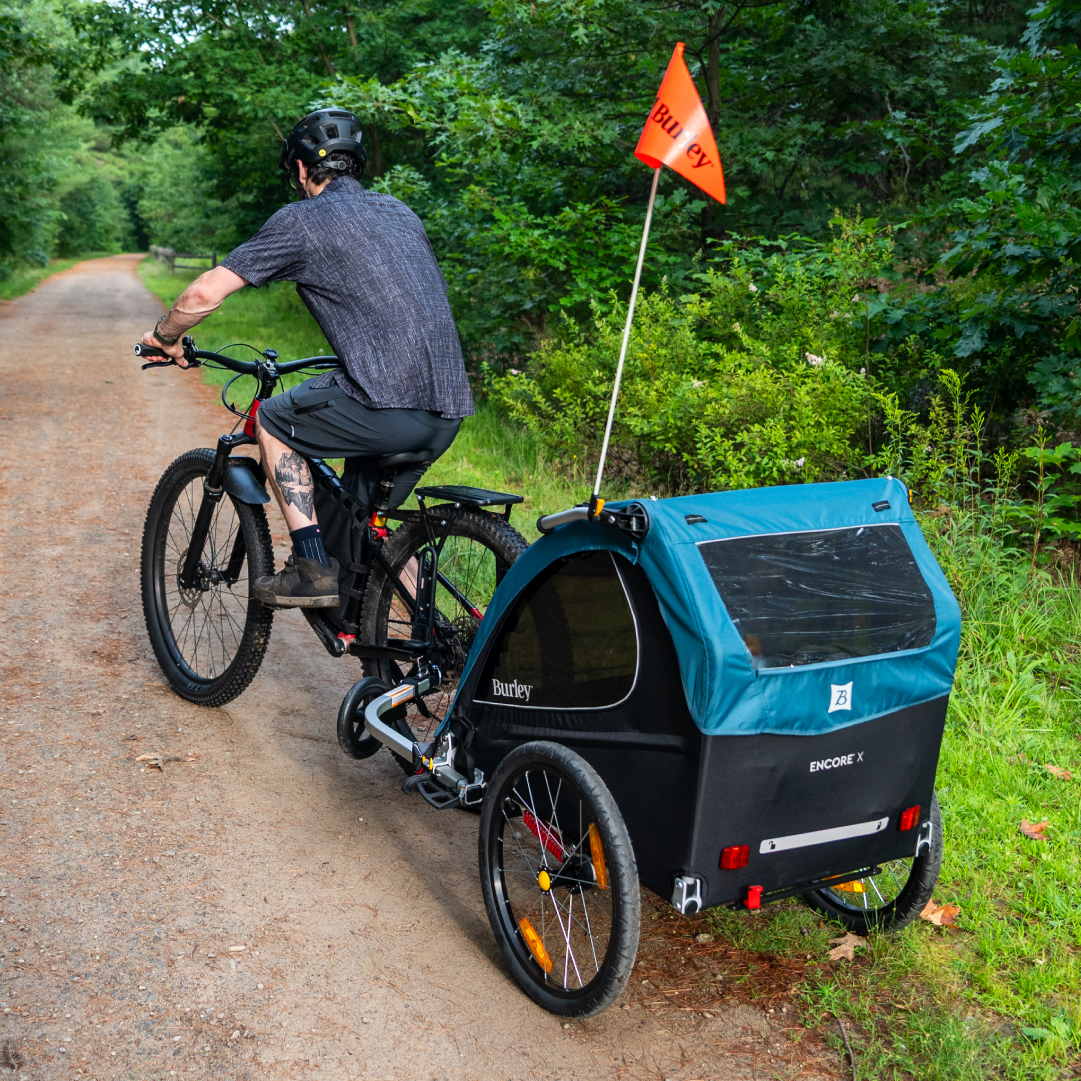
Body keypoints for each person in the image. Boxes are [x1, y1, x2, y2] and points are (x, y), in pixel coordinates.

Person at [140, 109, 474, 608]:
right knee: (363, 532)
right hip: (447, 409)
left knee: (272, 421)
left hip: (386, 407)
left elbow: (203, 293)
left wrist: (165, 337)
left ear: (301, 169)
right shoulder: (401, 213)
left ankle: (312, 568)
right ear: (355, 165)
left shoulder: (300, 222)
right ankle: (419, 642)